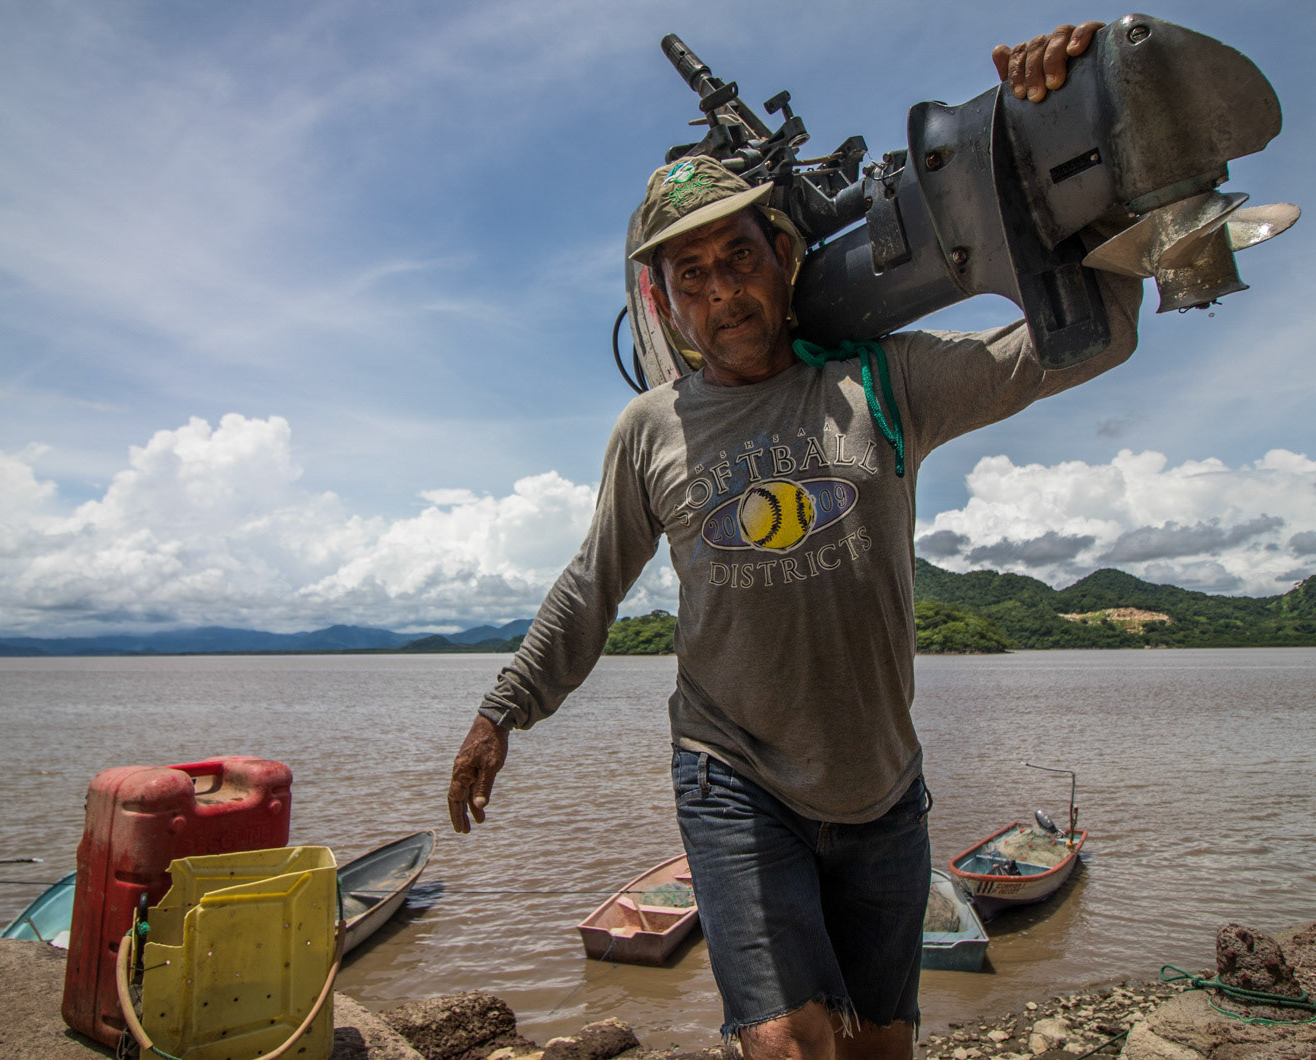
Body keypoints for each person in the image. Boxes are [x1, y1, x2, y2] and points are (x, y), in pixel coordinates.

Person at [448, 22, 1128, 1060]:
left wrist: (1073, 139)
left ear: (785, 256)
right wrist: (502, 709)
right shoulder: (652, 428)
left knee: (879, 1050)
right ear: (668, 307)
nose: (721, 292)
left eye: (737, 257)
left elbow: (1086, 340)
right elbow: (592, 587)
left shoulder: (882, 382)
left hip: (882, 789)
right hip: (732, 776)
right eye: (690, 277)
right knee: (786, 1045)